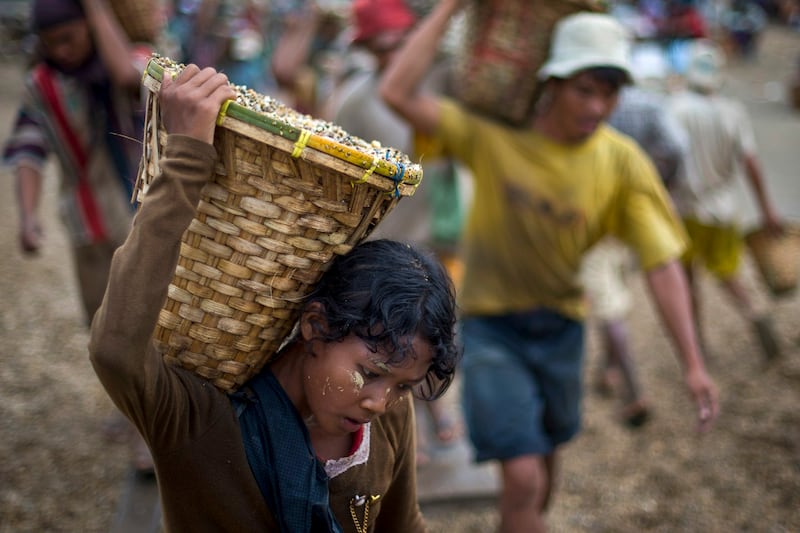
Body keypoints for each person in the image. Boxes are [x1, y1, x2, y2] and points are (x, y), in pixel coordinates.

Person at [380, 4, 719, 531]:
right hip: (492, 328)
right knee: (522, 477)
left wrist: (693, 363)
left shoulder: (621, 160)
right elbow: (396, 93)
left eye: (610, 93)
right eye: (585, 89)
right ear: (552, 83)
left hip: (563, 326)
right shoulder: (496, 137)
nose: (598, 106)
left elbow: (661, 263)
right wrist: (450, 7)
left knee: (546, 464)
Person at [88, 64, 460, 531]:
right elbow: (114, 351)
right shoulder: (201, 422)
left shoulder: (386, 422)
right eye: (370, 373)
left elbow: (400, 525)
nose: (380, 402)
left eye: (403, 386)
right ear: (315, 325)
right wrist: (187, 160)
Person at [2, 0, 154, 473]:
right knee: (104, 326)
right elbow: (28, 146)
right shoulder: (42, 86)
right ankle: (134, 416)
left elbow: (128, 78)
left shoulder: (135, 65)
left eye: (71, 37)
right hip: (86, 228)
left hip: (142, 223)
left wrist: (94, 6)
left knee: (147, 328)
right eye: (51, 44)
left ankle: (147, 432)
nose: (62, 51)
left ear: (92, 27)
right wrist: (28, 215)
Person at [330, 0, 465, 463]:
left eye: (400, 42)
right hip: (383, 243)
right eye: (381, 45)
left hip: (431, 231)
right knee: (394, 340)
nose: (392, 52)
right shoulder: (353, 99)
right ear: (366, 48)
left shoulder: (434, 82)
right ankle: (409, 429)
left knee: (436, 330)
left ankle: (438, 406)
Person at [583, 79, 691, 428]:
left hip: (594, 221)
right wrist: (660, 183)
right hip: (628, 222)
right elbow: (676, 147)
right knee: (614, 296)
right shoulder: (649, 104)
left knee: (609, 305)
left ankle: (633, 391)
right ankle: (608, 370)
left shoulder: (584, 104)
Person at [669, 39, 783, 360]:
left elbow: (665, 161)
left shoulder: (676, 108)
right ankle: (755, 313)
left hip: (685, 211)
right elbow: (751, 164)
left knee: (688, 280)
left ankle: (697, 344)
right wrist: (767, 210)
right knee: (728, 273)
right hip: (722, 210)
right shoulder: (732, 112)